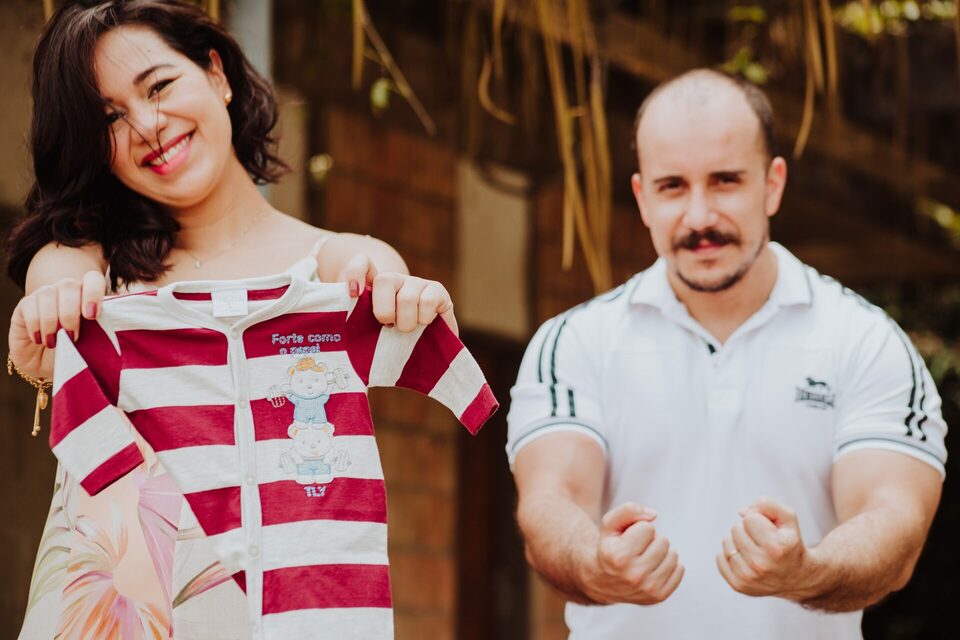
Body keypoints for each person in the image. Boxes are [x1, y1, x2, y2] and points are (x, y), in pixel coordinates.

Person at [6, 1, 456, 638]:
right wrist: (49, 317)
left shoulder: (332, 267)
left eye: (159, 86)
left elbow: (383, 281)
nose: (148, 125)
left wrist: (401, 297)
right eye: (110, 118)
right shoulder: (90, 269)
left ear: (216, 73)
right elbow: (54, 289)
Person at [506, 68, 947, 639]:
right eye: (672, 187)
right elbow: (550, 501)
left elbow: (893, 519)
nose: (699, 218)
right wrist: (594, 562)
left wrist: (808, 571)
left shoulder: (865, 340)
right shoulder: (575, 341)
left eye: (725, 181)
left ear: (772, 184)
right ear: (642, 198)